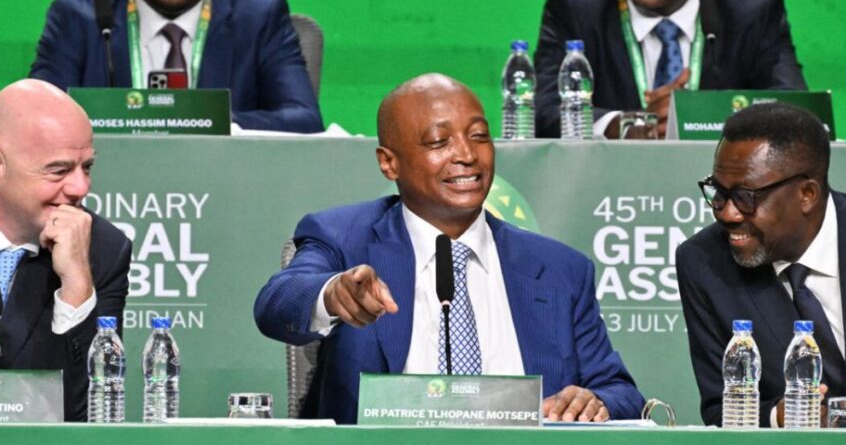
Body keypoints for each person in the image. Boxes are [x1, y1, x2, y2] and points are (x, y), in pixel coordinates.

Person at [254, 73, 644, 424]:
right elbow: (276, 305)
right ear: (389, 163)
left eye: (478, 136)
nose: (467, 155)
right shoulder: (344, 237)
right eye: (439, 142)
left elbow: (621, 392)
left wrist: (593, 401)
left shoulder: (560, 269)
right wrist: (332, 294)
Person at [676, 102, 846, 426]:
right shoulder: (704, 262)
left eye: (745, 196)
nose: (727, 213)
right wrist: (776, 416)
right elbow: (719, 409)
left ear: (807, 194)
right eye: (718, 193)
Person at [0, 79, 132, 422]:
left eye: (86, 167)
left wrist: (76, 288)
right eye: (58, 170)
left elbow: (87, 419)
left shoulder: (102, 249)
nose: (80, 187)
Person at [29, 0, 323, 134]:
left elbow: (304, 119)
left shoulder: (259, 19)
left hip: (225, 183)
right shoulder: (80, 20)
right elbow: (36, 118)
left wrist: (205, 119)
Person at [534, 0, 806, 138]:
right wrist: (621, 124)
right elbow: (543, 110)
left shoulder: (752, 13)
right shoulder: (576, 11)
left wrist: (696, 118)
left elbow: (796, 109)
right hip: (607, 188)